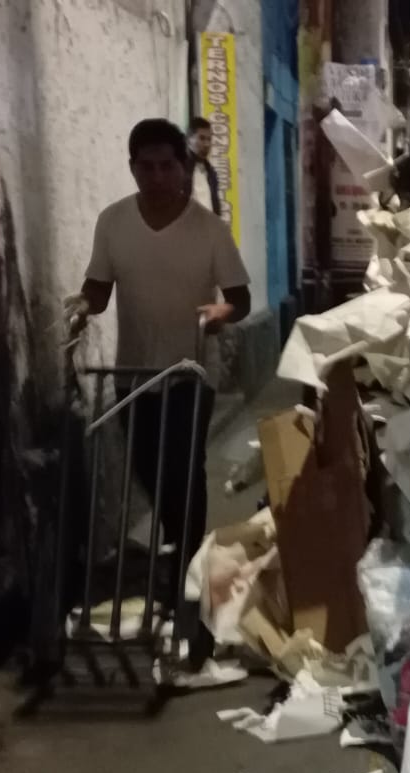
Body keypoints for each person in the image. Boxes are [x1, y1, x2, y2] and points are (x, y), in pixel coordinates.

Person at [69, 118, 250, 659]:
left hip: (193, 371)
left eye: (166, 165)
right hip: (132, 376)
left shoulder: (209, 231)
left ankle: (185, 583)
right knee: (151, 471)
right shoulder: (114, 223)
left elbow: (239, 297)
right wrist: (80, 308)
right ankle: (182, 555)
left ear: (182, 168)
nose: (155, 176)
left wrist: (222, 312)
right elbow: (97, 289)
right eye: (144, 167)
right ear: (132, 169)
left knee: (184, 473)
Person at [187, 116, 222, 216]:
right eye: (201, 138)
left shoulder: (211, 173)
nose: (207, 144)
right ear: (189, 139)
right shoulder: (178, 170)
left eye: (209, 139)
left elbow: (215, 207)